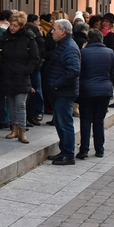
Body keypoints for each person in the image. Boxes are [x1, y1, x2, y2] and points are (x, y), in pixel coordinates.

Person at [0, 11, 39, 144]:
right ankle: (14, 128)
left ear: (21, 25)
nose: (12, 28)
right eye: (11, 25)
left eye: (15, 25)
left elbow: (35, 57)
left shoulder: (28, 37)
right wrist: (0, 62)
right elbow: (0, 52)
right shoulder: (5, 36)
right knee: (11, 103)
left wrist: (26, 70)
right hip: (8, 74)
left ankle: (22, 130)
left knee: (20, 104)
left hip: (22, 75)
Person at [76, 29, 114, 160]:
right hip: (104, 90)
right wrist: (108, 82)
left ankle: (84, 150)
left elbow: (77, 71)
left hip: (86, 90)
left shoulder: (82, 53)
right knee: (99, 120)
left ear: (88, 40)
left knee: (85, 120)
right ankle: (99, 149)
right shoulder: (110, 52)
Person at [44, 19, 80, 165]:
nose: (51, 31)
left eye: (54, 29)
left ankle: (68, 154)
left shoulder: (69, 47)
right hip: (59, 92)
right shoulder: (62, 45)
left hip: (64, 92)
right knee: (60, 123)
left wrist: (56, 85)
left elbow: (73, 71)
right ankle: (64, 151)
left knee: (65, 123)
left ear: (63, 31)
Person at [0, 9, 14, 129]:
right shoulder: (2, 34)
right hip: (2, 69)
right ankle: (4, 119)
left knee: (1, 95)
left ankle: (3, 119)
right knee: (4, 96)